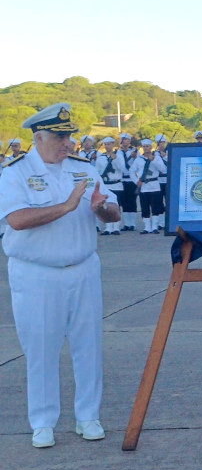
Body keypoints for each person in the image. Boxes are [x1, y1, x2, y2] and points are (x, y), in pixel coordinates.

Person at [0, 103, 121, 448]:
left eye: (69, 135)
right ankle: (42, 422)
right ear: (39, 138)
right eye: (59, 136)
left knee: (88, 345)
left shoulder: (84, 168)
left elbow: (114, 213)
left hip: (83, 269)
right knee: (40, 348)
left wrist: (102, 209)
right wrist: (67, 206)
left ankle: (88, 416)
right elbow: (18, 220)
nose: (68, 142)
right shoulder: (16, 172)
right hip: (36, 274)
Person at [131, 138, 166, 234]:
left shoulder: (156, 157)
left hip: (155, 185)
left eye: (148, 146)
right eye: (144, 146)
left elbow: (163, 169)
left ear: (151, 147)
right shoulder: (139, 159)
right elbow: (132, 171)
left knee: (156, 207)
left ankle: (154, 226)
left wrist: (154, 160)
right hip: (144, 186)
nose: (146, 148)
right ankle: (147, 227)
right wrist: (136, 181)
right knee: (145, 207)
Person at [95, 137, 124, 235]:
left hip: (117, 184)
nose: (107, 146)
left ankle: (116, 227)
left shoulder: (118, 156)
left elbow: (122, 169)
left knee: (116, 205)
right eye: (106, 144)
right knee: (105, 206)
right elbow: (97, 172)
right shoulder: (101, 157)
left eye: (109, 144)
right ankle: (108, 227)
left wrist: (115, 160)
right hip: (106, 185)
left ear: (113, 144)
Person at [118, 133, 139, 230]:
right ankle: (126, 224)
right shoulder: (118, 152)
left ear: (129, 141)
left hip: (132, 179)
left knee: (132, 201)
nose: (124, 141)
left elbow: (139, 164)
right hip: (122, 180)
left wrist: (135, 157)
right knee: (124, 202)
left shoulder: (134, 152)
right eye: (122, 139)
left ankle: (133, 224)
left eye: (126, 139)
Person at [154, 134, 169, 224]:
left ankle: (168, 221)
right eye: (159, 143)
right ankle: (161, 223)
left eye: (162, 142)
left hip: (168, 180)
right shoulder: (154, 154)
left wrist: (166, 157)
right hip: (158, 180)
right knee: (159, 202)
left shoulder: (170, 152)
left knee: (168, 201)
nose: (160, 144)